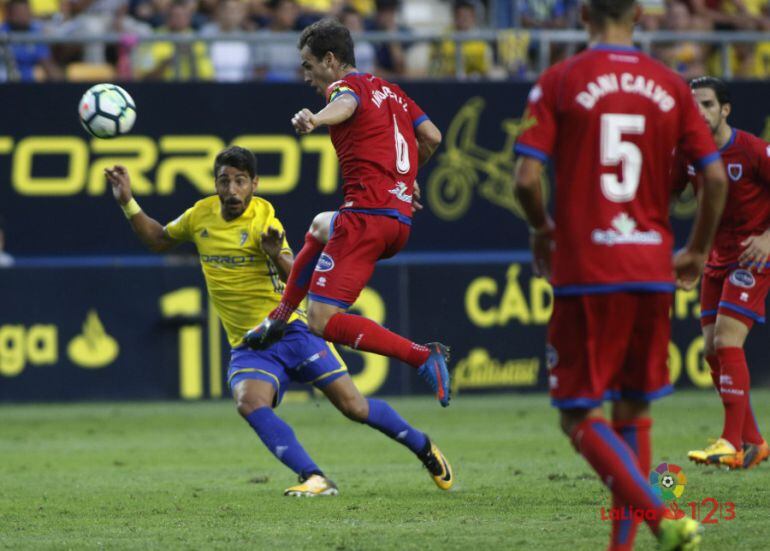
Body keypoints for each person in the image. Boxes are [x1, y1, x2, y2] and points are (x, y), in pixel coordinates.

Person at [106, 146, 453, 497]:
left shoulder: (264, 220)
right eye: (224, 181)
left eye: (240, 181)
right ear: (215, 184)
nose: (231, 190)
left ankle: (424, 447)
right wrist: (127, 202)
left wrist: (274, 255)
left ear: (254, 184)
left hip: (291, 331)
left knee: (355, 407)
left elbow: (299, 281)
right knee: (248, 402)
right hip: (250, 344)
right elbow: (157, 238)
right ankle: (314, 477)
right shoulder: (201, 216)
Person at [513, 1, 727, 550]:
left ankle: (663, 520)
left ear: (584, 14)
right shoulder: (672, 86)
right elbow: (715, 178)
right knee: (633, 410)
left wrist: (541, 229)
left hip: (588, 270)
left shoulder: (561, 79)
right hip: (652, 268)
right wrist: (698, 250)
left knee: (577, 415)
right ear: (637, 15)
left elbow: (526, 178)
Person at [245, 19, 451, 412]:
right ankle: (280, 315)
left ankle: (423, 356)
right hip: (396, 221)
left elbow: (345, 105)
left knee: (321, 322)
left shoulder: (344, 88)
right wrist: (407, 179)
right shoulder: (393, 91)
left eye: (308, 66)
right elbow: (433, 137)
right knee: (320, 226)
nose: (306, 75)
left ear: (330, 59)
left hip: (366, 218)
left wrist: (317, 118)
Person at [677, 77, 770, 470]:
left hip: (753, 257)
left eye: (707, 104)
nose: (699, 112)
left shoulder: (751, 149)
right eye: (693, 104)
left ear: (724, 110)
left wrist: (768, 237)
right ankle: (755, 442)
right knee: (713, 351)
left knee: (728, 341)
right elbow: (662, 195)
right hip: (715, 260)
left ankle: (730, 442)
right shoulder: (687, 155)